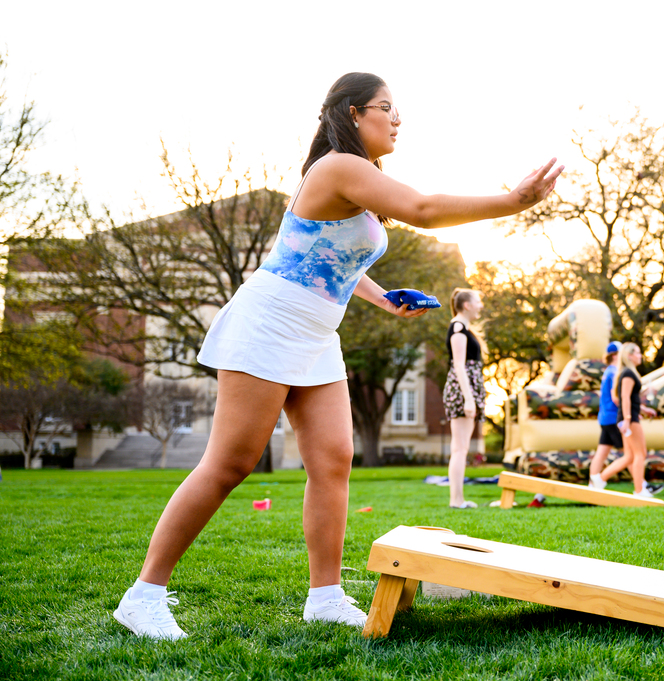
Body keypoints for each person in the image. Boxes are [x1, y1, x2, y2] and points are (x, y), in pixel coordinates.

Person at [112, 72, 563, 640]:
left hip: (317, 333)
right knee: (231, 462)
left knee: (333, 460)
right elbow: (422, 208)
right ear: (353, 113)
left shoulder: (363, 175)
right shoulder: (338, 166)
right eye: (386, 107)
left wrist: (379, 297)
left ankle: (324, 596)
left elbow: (331, 255)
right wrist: (511, 201)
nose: (398, 118)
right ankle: (144, 594)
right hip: (271, 321)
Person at [589, 343, 662, 497]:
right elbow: (622, 398)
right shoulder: (621, 373)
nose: (640, 355)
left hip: (612, 417)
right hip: (616, 417)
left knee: (625, 455)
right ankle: (639, 488)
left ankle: (598, 480)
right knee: (638, 454)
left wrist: (640, 409)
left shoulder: (616, 372)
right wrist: (628, 417)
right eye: (637, 352)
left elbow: (628, 398)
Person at [443, 288, 486, 509]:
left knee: (461, 448)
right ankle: (456, 500)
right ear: (467, 305)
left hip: (465, 390)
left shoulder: (462, 327)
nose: (481, 305)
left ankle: (458, 499)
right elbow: (459, 366)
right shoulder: (458, 328)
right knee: (460, 448)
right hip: (462, 392)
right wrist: (469, 400)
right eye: (478, 301)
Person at [589, 341, 623, 488]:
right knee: (629, 454)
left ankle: (592, 484)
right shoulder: (614, 372)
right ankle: (641, 484)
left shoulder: (608, 371)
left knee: (601, 452)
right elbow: (616, 397)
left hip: (605, 418)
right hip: (613, 417)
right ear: (615, 356)